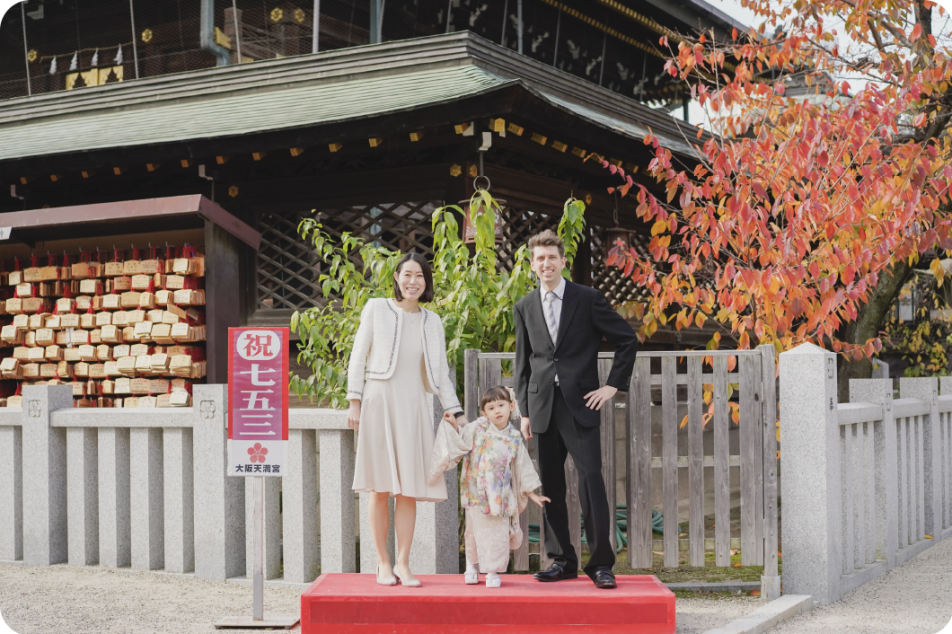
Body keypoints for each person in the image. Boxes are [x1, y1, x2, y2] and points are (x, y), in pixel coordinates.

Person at [513, 230, 639, 590]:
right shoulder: (524, 307)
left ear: (563, 260)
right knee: (550, 483)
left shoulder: (587, 298)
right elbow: (524, 364)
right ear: (532, 264)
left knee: (591, 480)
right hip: (541, 407)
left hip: (580, 403)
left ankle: (600, 563)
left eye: (552, 257)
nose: (546, 263)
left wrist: (612, 386)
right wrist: (523, 412)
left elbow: (626, 340)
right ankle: (561, 560)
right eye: (540, 258)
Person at [346, 252, 468, 587]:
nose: (413, 281)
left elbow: (441, 373)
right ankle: (382, 563)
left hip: (415, 405)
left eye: (420, 276)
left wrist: (455, 410)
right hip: (379, 401)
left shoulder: (433, 321)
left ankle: (403, 562)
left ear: (426, 283)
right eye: (407, 274)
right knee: (380, 487)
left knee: (409, 491)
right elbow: (359, 354)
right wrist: (354, 400)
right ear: (397, 277)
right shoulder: (376, 308)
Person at [428, 385, 550, 588]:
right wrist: (452, 425)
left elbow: (522, 466)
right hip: (475, 491)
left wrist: (531, 492)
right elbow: (459, 443)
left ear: (511, 406)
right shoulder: (476, 429)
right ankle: (471, 566)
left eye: (501, 405)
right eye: (491, 408)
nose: (498, 411)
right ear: (484, 413)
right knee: (473, 532)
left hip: (500, 495)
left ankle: (492, 571)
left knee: (497, 534)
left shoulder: (514, 437)